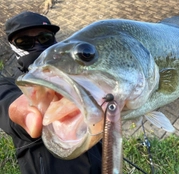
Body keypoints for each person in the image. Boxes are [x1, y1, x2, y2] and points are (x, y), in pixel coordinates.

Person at [0, 11, 102, 174]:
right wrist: (28, 111)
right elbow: (7, 106)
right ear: (13, 45)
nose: (37, 45)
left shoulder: (79, 76)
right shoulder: (7, 85)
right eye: (24, 41)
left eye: (44, 38)